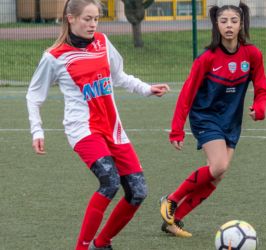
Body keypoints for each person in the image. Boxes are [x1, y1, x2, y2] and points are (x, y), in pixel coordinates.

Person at [26, 0, 170, 249]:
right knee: (110, 181)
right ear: (70, 18)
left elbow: (119, 76)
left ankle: (102, 243)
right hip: (82, 129)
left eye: (96, 19)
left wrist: (147, 88)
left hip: (113, 129)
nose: (93, 24)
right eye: (87, 19)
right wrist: (37, 130)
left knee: (138, 192)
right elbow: (34, 95)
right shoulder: (54, 56)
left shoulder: (103, 43)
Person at [159, 0, 266, 238]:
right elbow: (187, 94)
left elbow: (262, 89)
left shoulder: (252, 54)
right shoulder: (207, 58)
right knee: (219, 165)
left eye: (233, 21)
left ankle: (173, 220)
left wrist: (259, 108)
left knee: (218, 175)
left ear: (241, 24)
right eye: (223, 21)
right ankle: (171, 200)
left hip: (231, 121)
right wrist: (176, 129)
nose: (228, 25)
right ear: (216, 25)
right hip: (205, 117)